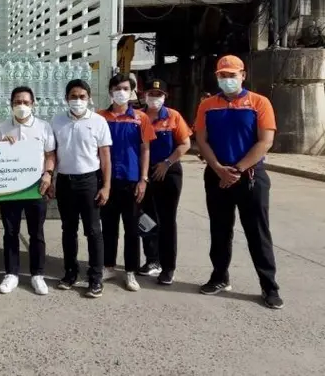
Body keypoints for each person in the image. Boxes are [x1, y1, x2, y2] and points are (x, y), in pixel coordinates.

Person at [194, 55, 282, 309]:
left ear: (243, 75)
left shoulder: (259, 102)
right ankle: (219, 277)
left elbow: (265, 141)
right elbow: (201, 139)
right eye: (222, 75)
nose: (227, 79)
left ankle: (269, 286)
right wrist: (219, 169)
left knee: (258, 232)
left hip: (250, 177)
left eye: (232, 75)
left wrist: (238, 169)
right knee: (220, 230)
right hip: (217, 175)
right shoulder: (207, 105)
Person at [51, 79, 112, 299]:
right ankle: (70, 273)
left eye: (82, 96)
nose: (78, 100)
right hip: (65, 182)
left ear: (89, 98)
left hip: (89, 182)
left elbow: (105, 157)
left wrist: (106, 186)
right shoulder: (57, 121)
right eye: (73, 97)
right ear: (66, 99)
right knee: (68, 230)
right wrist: (51, 179)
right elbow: (52, 153)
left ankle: (95, 277)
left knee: (93, 231)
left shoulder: (98, 121)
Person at [0, 87, 55, 296]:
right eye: (17, 102)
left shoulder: (43, 127)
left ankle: (38, 275)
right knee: (10, 232)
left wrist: (48, 174)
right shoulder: (2, 128)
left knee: (36, 232)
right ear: (11, 104)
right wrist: (2, 147)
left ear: (33, 104)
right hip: (10, 188)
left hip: (36, 187)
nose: (22, 106)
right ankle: (11, 273)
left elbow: (50, 155)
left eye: (26, 102)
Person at [98, 73, 156, 292]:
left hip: (132, 181)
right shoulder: (100, 117)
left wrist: (143, 179)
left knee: (132, 229)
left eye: (125, 88)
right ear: (110, 91)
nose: (121, 92)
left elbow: (145, 149)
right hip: (107, 181)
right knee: (108, 227)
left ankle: (130, 271)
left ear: (131, 92)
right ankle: (108, 266)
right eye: (116, 88)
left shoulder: (141, 118)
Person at [138, 79, 191, 285]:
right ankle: (152, 260)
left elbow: (185, 144)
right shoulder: (138, 116)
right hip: (145, 174)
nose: (155, 98)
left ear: (165, 97)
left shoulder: (173, 116)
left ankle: (168, 267)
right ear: (144, 95)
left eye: (158, 94)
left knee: (167, 220)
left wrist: (167, 163)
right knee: (145, 218)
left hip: (168, 173)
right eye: (151, 93)